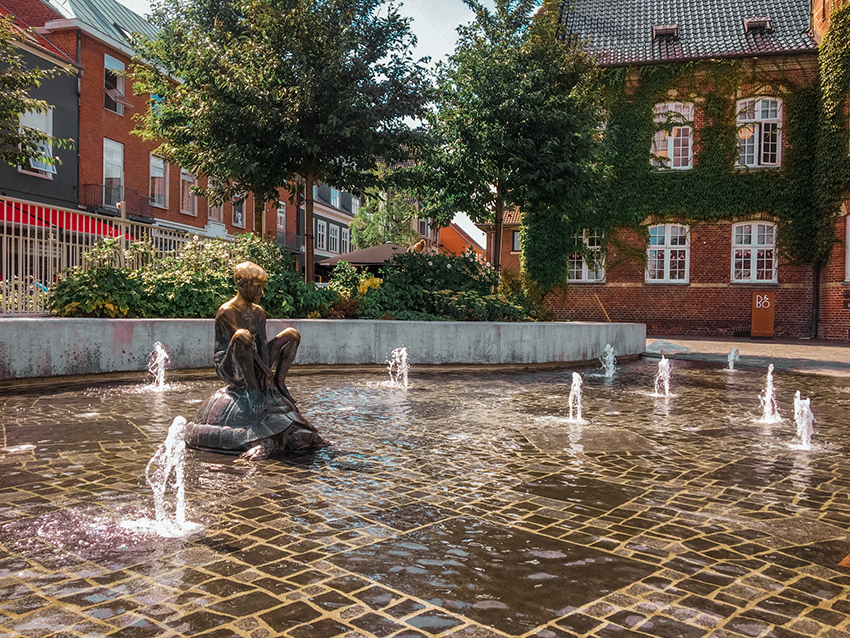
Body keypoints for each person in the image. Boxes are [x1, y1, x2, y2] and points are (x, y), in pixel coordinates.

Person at [214, 261, 300, 414]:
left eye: (262, 287)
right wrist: (266, 373)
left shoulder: (258, 312)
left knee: (292, 334)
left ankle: (280, 382)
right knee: (242, 335)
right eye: (257, 287)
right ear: (241, 285)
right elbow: (245, 346)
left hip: (255, 362)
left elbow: (262, 345)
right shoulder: (227, 312)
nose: (261, 292)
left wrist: (269, 376)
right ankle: (252, 390)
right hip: (232, 367)